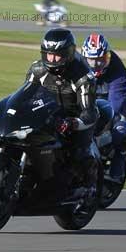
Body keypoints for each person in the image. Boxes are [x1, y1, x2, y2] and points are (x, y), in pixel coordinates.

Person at [25, 28, 99, 196]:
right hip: (48, 116)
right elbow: (24, 96)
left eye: (57, 55)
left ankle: (87, 188)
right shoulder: (37, 70)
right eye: (49, 54)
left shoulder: (83, 77)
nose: (52, 60)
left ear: (69, 53)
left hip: (75, 119)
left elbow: (89, 112)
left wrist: (73, 123)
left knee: (79, 152)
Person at [81, 33, 126, 183]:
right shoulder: (78, 64)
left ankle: (120, 156)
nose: (96, 64)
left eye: (101, 60)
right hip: (86, 98)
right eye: (92, 60)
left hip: (108, 99)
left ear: (107, 56)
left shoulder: (117, 70)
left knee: (120, 126)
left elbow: (117, 98)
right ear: (85, 57)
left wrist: (113, 114)